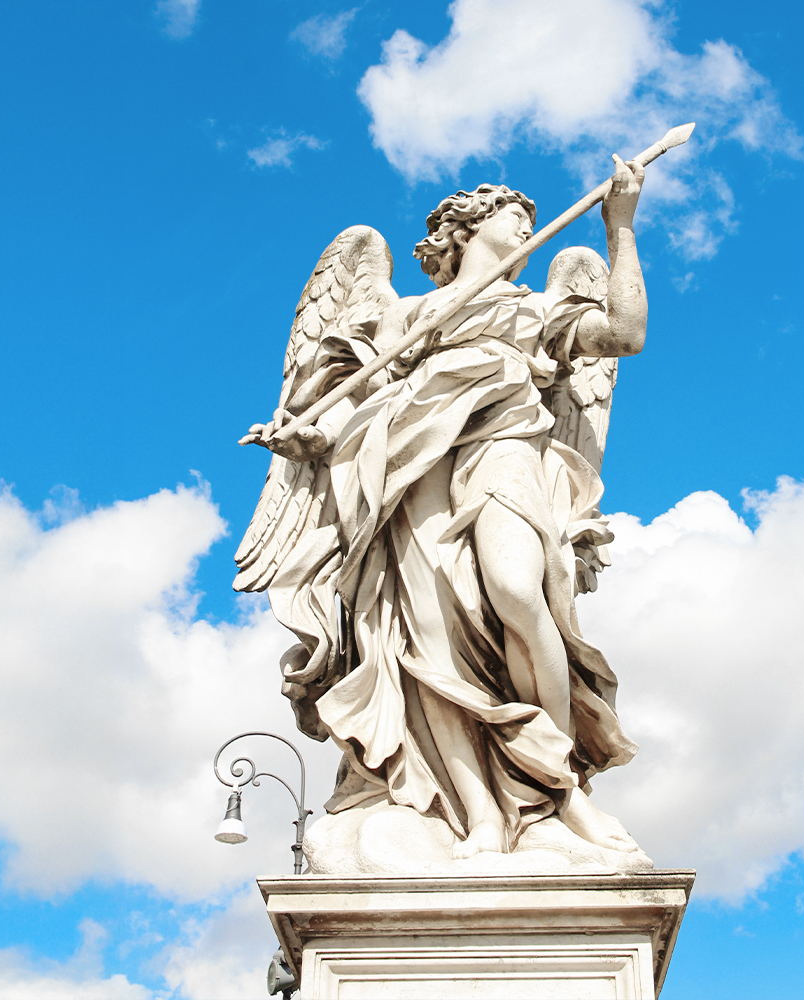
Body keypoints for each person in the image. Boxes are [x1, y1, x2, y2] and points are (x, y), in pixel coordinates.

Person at [240, 155, 649, 858]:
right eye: (509, 211)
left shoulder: (536, 308)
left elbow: (625, 335)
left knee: (520, 592)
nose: (526, 219)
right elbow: (351, 409)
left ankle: (555, 786)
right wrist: (307, 435)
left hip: (503, 445)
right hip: (406, 464)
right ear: (468, 228)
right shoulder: (405, 314)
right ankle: (478, 811)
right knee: (426, 636)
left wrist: (620, 228)